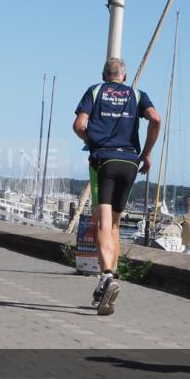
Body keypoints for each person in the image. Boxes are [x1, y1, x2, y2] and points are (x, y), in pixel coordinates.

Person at [73, 57, 161, 315]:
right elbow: (155, 119)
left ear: (104, 75)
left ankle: (107, 276)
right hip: (130, 163)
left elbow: (79, 125)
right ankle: (107, 283)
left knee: (101, 223)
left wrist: (92, 142)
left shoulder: (95, 91)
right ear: (124, 76)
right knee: (115, 225)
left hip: (105, 161)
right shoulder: (137, 94)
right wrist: (146, 153)